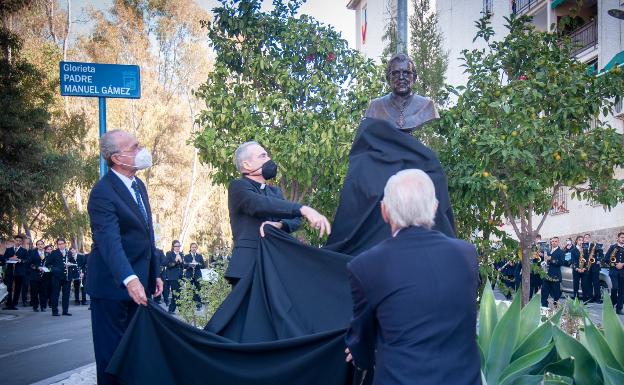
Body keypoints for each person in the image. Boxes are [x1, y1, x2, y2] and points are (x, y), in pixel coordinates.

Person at [344, 169, 480, 385]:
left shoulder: (366, 265)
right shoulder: (466, 254)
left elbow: (362, 342)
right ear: (434, 208)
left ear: (384, 211)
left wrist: (360, 353)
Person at [86, 129, 162, 385]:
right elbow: (110, 242)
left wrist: (155, 272)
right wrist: (130, 280)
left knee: (135, 355)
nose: (142, 150)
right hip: (112, 288)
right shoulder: (102, 192)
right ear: (117, 158)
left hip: (140, 284)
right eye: (135, 147)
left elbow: (146, 234)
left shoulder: (138, 185)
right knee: (112, 358)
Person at [226, 141, 331, 286]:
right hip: (248, 266)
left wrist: (280, 224)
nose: (269, 159)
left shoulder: (274, 191)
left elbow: (294, 219)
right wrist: (303, 209)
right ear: (247, 165)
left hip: (276, 263)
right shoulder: (238, 187)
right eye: (262, 156)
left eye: (267, 155)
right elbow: (258, 204)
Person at [364, 53, 438, 132]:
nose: (401, 77)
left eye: (406, 73)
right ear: (388, 78)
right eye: (395, 73)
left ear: (414, 78)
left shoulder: (427, 106)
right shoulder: (375, 106)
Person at [48, 238, 76, 316]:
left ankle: (65, 311)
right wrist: (54, 270)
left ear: (65, 244)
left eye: (62, 244)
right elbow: (48, 265)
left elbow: (73, 262)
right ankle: (55, 311)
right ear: (57, 245)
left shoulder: (69, 252)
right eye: (59, 244)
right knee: (55, 294)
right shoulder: (54, 253)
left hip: (67, 277)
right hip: (56, 277)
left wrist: (70, 264)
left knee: (66, 295)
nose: (60, 245)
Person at [1, 234, 29, 310]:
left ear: (21, 242)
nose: (18, 242)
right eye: (17, 240)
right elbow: (4, 259)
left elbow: (26, 260)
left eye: (20, 241)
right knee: (9, 287)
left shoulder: (24, 251)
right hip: (9, 272)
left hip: (19, 272)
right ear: (14, 240)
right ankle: (8, 304)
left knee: (17, 288)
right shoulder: (9, 249)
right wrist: (10, 258)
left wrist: (20, 260)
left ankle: (14, 303)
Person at [541, 237, 566, 308]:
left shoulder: (561, 252)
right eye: (552, 241)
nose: (554, 242)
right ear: (551, 242)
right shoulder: (547, 251)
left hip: (555, 276)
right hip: (546, 275)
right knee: (544, 293)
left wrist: (551, 259)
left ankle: (555, 308)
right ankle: (544, 307)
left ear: (558, 242)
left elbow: (561, 262)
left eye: (555, 241)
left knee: (556, 294)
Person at [604, 232, 624, 314]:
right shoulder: (613, 247)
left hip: (623, 272)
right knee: (615, 288)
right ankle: (612, 304)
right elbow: (606, 259)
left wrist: (622, 264)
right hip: (614, 271)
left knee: (622, 291)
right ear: (618, 238)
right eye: (622, 237)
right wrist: (615, 264)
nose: (623, 239)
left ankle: (619, 309)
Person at [28, 239, 49, 312]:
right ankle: (35, 306)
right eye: (38, 244)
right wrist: (37, 268)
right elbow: (30, 264)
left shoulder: (47, 254)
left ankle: (43, 306)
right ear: (36, 246)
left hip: (44, 276)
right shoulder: (32, 253)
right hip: (34, 275)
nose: (40, 245)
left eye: (41, 244)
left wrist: (48, 268)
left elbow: (50, 264)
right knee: (34, 292)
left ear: (43, 245)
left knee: (43, 292)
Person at [583, 233, 604, 303]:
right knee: (588, 283)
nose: (586, 239)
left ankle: (598, 298)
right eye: (585, 238)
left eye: (587, 237)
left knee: (596, 283)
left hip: (595, 267)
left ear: (590, 238)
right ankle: (590, 298)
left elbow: (601, 254)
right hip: (587, 267)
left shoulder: (595, 245)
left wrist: (599, 260)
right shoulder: (583, 247)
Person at [164, 240, 184, 314]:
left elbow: (183, 266)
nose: (178, 247)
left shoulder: (181, 254)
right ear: (173, 247)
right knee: (176, 293)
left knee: (178, 293)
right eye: (176, 246)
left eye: (179, 246)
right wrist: (175, 261)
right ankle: (176, 309)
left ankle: (172, 309)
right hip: (172, 277)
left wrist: (181, 261)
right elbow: (167, 265)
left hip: (180, 277)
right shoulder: (169, 254)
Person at [184, 242, 205, 310]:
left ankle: (198, 305)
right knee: (189, 290)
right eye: (192, 247)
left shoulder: (199, 256)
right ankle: (189, 305)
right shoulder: (186, 256)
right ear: (190, 248)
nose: (194, 248)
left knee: (198, 290)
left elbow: (203, 265)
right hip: (189, 275)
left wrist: (197, 264)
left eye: (195, 247)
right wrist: (190, 265)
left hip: (197, 275)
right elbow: (184, 266)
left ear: (196, 248)